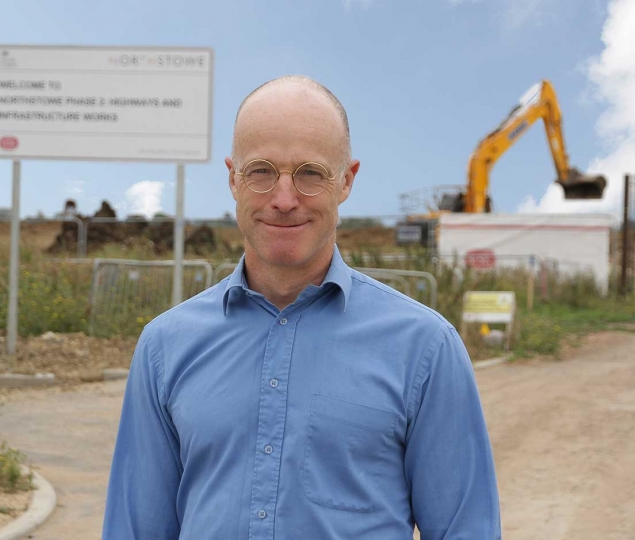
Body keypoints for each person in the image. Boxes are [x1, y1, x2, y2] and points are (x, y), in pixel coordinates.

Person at [102, 76, 501, 539]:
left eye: (311, 173)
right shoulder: (164, 347)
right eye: (261, 171)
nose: (285, 199)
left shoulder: (426, 349)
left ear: (347, 181)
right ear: (233, 178)